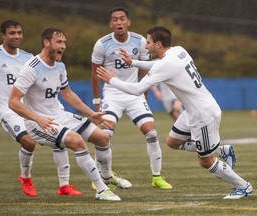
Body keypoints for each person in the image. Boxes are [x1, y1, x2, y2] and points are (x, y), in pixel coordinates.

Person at [96, 26, 253, 199]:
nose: (146, 47)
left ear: (158, 44)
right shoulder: (178, 50)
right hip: (192, 111)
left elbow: (137, 89)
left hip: (203, 115)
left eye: (148, 43)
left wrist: (111, 80)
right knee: (172, 142)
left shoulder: (166, 64)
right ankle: (221, 151)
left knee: (205, 161)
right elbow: (157, 64)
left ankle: (243, 186)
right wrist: (133, 62)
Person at [8, 26, 123, 201]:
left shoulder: (60, 66)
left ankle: (107, 176)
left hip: (59, 116)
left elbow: (67, 94)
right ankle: (101, 190)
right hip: (37, 123)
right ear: (46, 43)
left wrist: (91, 113)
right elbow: (13, 102)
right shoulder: (31, 68)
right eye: (59, 42)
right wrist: (37, 118)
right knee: (77, 141)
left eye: (64, 42)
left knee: (102, 137)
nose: (63, 46)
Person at [0, 20, 82, 197]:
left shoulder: (28, 57)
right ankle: (25, 177)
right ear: (3, 36)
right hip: (8, 109)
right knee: (28, 142)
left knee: (59, 138)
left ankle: (64, 185)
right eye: (12, 33)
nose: (17, 36)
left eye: (19, 33)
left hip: (34, 108)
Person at [91, 7, 172, 190]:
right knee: (104, 134)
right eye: (115, 19)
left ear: (128, 22)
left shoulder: (140, 41)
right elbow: (95, 74)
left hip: (134, 93)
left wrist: (144, 94)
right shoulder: (102, 44)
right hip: (112, 94)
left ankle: (157, 177)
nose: (119, 22)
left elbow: (144, 70)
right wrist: (97, 102)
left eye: (122, 19)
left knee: (151, 132)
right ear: (111, 24)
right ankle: (99, 178)